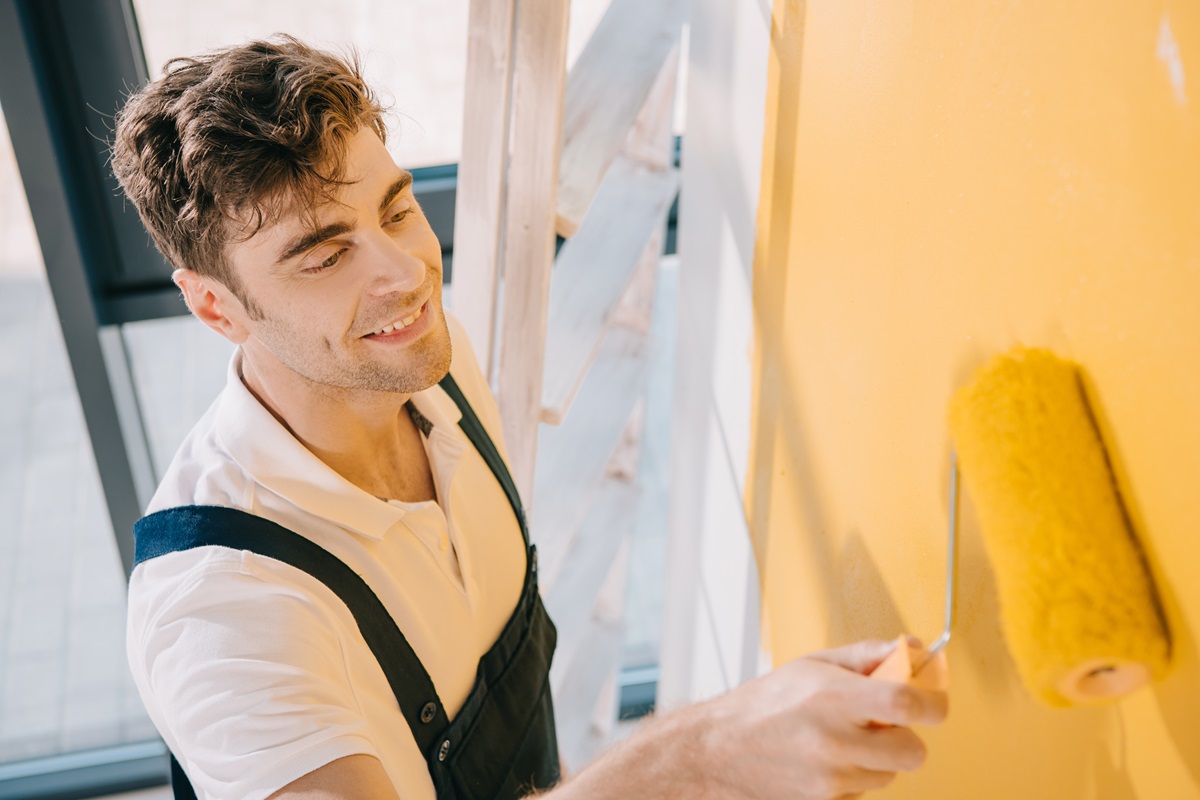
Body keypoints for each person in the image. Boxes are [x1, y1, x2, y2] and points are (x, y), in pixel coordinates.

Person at [111, 34, 948, 800]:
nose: (405, 274)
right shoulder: (220, 613)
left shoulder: (431, 366)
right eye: (327, 255)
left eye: (397, 210)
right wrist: (706, 756)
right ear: (217, 308)